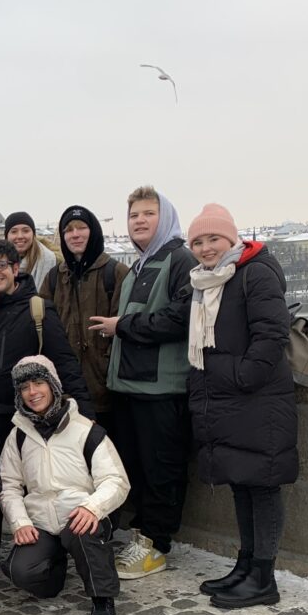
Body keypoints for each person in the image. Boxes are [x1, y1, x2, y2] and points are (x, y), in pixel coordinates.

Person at [0, 238, 93, 579]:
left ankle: (42, 549)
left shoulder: (37, 310)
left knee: (33, 484)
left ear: (16, 269)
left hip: (28, 422)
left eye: (2, 265)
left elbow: (65, 364)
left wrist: (84, 414)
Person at [185, 204, 297, 609]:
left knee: (262, 487)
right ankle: (246, 564)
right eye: (198, 241)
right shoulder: (207, 281)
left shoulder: (255, 272)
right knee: (242, 483)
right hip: (228, 401)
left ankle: (264, 577)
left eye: (213, 238)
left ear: (232, 239)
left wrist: (241, 376)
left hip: (257, 399)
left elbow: (272, 334)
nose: (206, 247)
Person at [89, 185, 195, 579]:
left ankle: (156, 545)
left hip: (161, 388)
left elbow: (181, 318)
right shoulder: (139, 265)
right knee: (138, 469)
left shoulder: (180, 259)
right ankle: (142, 536)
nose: (139, 221)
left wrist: (122, 326)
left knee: (162, 470)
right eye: (134, 215)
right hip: (130, 386)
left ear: (164, 218)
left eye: (148, 214)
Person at [0, 356, 129, 615]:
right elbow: (9, 486)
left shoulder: (86, 431)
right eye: (24, 387)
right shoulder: (18, 435)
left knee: (83, 532)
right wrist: (20, 522)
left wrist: (93, 507)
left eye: (38, 383)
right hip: (41, 520)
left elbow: (116, 480)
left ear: (53, 385)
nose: (32, 392)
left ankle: (102, 596)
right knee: (19, 571)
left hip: (79, 514)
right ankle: (54, 570)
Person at [42, 206, 130, 431]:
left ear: (93, 231)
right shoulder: (54, 278)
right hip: (66, 389)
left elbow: (127, 326)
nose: (75, 234)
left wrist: (106, 365)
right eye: (69, 230)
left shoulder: (115, 273)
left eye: (81, 228)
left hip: (108, 390)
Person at [4, 211, 56, 293]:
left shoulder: (53, 262)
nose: (20, 236)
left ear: (33, 235)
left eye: (25, 231)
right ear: (6, 236)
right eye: (14, 232)